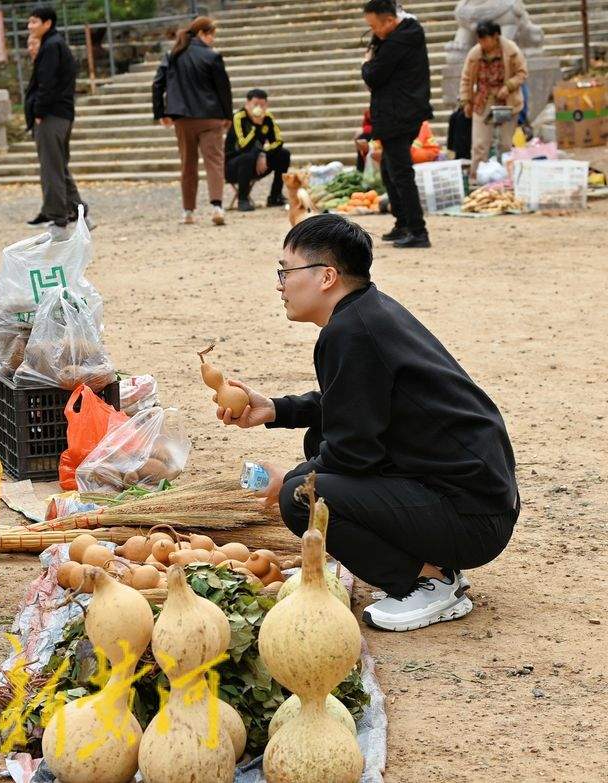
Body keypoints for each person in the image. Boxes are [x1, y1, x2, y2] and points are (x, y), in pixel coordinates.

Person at [216, 214, 518, 632]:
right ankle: (430, 565)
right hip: (476, 501)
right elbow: (353, 404)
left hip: (471, 517)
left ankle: (429, 582)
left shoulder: (350, 332)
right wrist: (275, 409)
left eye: (285, 270)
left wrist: (290, 479)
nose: (279, 282)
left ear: (326, 276)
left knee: (300, 498)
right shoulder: (366, 313)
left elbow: (353, 453)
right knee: (317, 445)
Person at [361, 0, 433, 249]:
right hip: (398, 112)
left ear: (390, 21)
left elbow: (374, 75)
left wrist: (367, 61)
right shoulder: (400, 35)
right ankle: (403, 223)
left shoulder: (399, 41)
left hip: (399, 114)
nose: (374, 32)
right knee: (389, 170)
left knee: (401, 173)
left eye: (375, 27)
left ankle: (417, 230)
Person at [152, 16, 233, 226]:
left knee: (187, 165)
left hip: (182, 118)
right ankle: (217, 206)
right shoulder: (212, 56)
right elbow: (223, 89)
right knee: (214, 163)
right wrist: (227, 115)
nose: (213, 39)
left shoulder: (172, 55)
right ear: (201, 33)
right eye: (211, 34)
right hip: (211, 116)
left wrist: (161, 112)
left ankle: (188, 211)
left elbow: (157, 84)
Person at [24, 7, 88, 235]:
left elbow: (47, 82)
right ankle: (79, 213)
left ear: (47, 23)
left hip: (51, 115)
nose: (30, 26)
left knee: (51, 168)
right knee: (59, 165)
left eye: (34, 22)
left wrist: (39, 111)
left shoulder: (51, 46)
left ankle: (58, 219)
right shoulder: (56, 44)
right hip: (60, 113)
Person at [460, 20, 528, 181]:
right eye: (479, 40)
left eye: (485, 39)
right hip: (482, 100)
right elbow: (466, 78)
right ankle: (477, 179)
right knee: (479, 145)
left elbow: (522, 73)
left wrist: (509, 86)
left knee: (505, 144)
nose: (482, 43)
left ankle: (507, 179)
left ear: (495, 36)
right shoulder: (475, 54)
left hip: (507, 100)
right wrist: (465, 101)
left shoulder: (511, 50)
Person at [224, 88, 291, 212]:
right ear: (247, 104)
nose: (259, 108)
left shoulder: (268, 117)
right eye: (255, 104)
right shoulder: (239, 117)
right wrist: (255, 127)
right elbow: (242, 146)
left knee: (284, 154)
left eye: (262, 105)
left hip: (258, 164)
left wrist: (264, 154)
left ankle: (275, 196)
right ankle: (243, 199)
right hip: (233, 166)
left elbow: (278, 141)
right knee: (247, 157)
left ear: (266, 105)